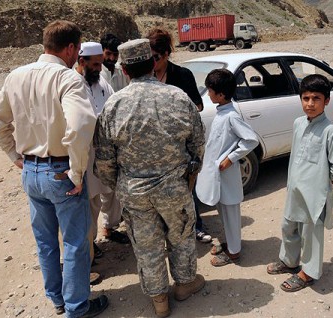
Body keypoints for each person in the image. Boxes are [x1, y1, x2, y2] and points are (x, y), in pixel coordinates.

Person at [0, 20, 109, 317]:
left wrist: (16, 155)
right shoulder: (67, 79)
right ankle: (77, 307)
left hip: (31, 172)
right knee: (76, 243)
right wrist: (77, 173)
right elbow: (81, 125)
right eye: (77, 50)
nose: (77, 55)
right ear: (69, 48)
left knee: (45, 241)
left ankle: (57, 298)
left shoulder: (16, 75)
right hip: (61, 172)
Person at [93, 38, 206, 318]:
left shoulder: (113, 106)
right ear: (152, 63)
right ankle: (184, 284)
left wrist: (120, 184)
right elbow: (198, 144)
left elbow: (104, 159)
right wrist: (189, 175)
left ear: (125, 70)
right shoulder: (178, 97)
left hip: (135, 191)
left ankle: (159, 301)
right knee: (180, 237)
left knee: (146, 246)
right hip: (175, 187)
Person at [266, 74, 333, 292]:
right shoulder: (298, 124)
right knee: (289, 225)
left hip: (315, 194)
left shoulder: (330, 131)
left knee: (311, 233)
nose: (310, 104)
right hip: (295, 188)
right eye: (305, 98)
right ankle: (289, 261)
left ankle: (308, 273)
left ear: (326, 101)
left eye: (316, 98)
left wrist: (325, 178)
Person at [146, 28, 211, 244]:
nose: (152, 62)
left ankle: (195, 227)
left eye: (155, 57)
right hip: (154, 146)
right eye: (149, 57)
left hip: (179, 145)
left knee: (186, 188)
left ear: (166, 54)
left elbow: (198, 106)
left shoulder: (182, 75)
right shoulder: (145, 77)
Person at [195, 69, 259, 267]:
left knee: (230, 212)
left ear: (221, 95)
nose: (209, 94)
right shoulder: (222, 113)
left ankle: (233, 252)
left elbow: (251, 140)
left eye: (211, 90)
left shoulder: (231, 116)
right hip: (218, 175)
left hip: (227, 174)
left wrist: (230, 159)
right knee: (223, 210)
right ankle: (232, 243)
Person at [75, 41, 128, 261]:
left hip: (105, 150)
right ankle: (90, 246)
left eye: (99, 64)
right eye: (95, 64)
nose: (99, 68)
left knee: (112, 193)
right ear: (81, 62)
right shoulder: (72, 83)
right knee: (90, 201)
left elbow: (115, 104)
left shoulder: (102, 83)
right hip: (85, 154)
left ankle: (109, 228)